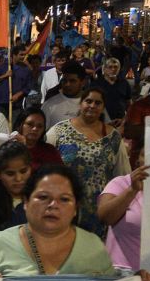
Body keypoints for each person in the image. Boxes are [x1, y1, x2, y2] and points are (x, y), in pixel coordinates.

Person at [45, 86, 130, 237]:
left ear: (103, 108)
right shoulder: (59, 131)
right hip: (63, 206)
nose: (92, 106)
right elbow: (43, 168)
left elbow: (122, 176)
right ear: (80, 103)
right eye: (88, 101)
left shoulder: (113, 138)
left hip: (98, 212)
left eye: (98, 103)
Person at [98, 158, 150, 270]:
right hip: (121, 271)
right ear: (138, 159)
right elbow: (105, 217)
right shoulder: (121, 183)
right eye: (145, 154)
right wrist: (132, 190)